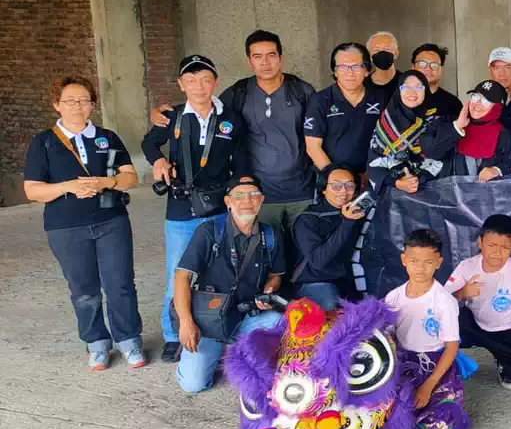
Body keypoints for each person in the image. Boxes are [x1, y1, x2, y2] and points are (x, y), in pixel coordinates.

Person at [148, 30, 317, 253]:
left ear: (281, 58)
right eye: (257, 56)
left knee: (306, 251)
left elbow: (319, 132)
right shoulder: (239, 92)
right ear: (249, 61)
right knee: (267, 253)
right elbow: (206, 107)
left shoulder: (301, 91)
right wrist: (160, 114)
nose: (265, 62)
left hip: (301, 190)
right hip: (259, 192)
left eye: (271, 55)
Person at [24, 76, 144, 370]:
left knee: (120, 284)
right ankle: (97, 343)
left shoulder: (107, 137)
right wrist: (68, 186)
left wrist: (106, 182)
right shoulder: (44, 142)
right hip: (66, 226)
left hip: (111, 221)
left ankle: (129, 340)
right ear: (57, 105)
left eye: (84, 100)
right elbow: (33, 190)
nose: (77, 106)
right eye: (69, 101)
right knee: (84, 289)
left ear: (92, 104)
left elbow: (130, 177)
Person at [141, 55, 246, 364]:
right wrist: (159, 160)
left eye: (205, 80)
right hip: (180, 207)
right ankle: (173, 334)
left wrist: (236, 191)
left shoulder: (231, 118)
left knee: (220, 268)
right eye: (191, 81)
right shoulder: (171, 116)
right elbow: (149, 143)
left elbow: (241, 160)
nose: (199, 87)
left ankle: (217, 323)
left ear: (215, 82)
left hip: (219, 206)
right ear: (180, 84)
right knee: (177, 271)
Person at [172, 175, 285, 393]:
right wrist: (186, 322)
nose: (247, 201)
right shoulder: (209, 231)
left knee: (281, 322)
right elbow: (181, 277)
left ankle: (238, 348)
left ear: (261, 200)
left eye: (253, 195)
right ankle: (215, 351)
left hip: (247, 315)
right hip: (210, 321)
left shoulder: (270, 234)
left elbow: (275, 274)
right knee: (193, 385)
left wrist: (269, 289)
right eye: (239, 195)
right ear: (228, 201)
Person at [384, 228, 472, 429]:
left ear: (439, 262)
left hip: (437, 368)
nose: (420, 268)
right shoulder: (393, 298)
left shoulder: (444, 301)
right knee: (389, 428)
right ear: (404, 260)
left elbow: (451, 347)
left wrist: (428, 386)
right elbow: (388, 338)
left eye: (428, 262)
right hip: (405, 366)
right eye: (414, 261)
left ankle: (453, 417)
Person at [444, 214, 511, 388]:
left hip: (508, 330)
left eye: (505, 247)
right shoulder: (467, 266)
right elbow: (441, 302)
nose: (497, 253)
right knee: (436, 325)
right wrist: (462, 292)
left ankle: (502, 360)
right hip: (473, 324)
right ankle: (445, 366)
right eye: (491, 245)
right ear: (480, 242)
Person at [366, 70, 468, 193]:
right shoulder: (386, 122)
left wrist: (418, 180)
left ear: (426, 91)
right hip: (393, 193)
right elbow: (373, 162)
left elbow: (438, 155)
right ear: (398, 90)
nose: (412, 92)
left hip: (431, 191)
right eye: (406, 87)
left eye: (418, 87)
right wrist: (397, 183)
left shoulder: (437, 121)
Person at [304, 43, 390, 176]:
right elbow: (313, 147)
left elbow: (391, 140)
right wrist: (334, 175)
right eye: (343, 67)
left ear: (366, 70)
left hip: (374, 176)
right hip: (334, 180)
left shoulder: (381, 98)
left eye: (356, 66)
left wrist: (376, 173)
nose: (350, 73)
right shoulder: (320, 100)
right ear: (335, 71)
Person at [290, 165, 367, 310]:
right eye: (336, 186)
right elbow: (319, 261)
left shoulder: (357, 214)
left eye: (349, 185)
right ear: (324, 189)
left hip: (345, 280)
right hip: (314, 282)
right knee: (331, 302)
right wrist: (347, 222)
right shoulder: (308, 219)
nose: (343, 191)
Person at [445, 81, 511, 181]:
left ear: (497, 107)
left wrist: (497, 170)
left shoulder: (504, 134)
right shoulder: (455, 123)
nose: (478, 104)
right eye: (475, 97)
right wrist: (456, 127)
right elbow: (433, 152)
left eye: (486, 101)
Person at [409, 42, 463, 120]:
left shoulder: (453, 104)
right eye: (422, 64)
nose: (428, 68)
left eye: (434, 65)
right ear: (413, 67)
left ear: (441, 69)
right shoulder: (399, 98)